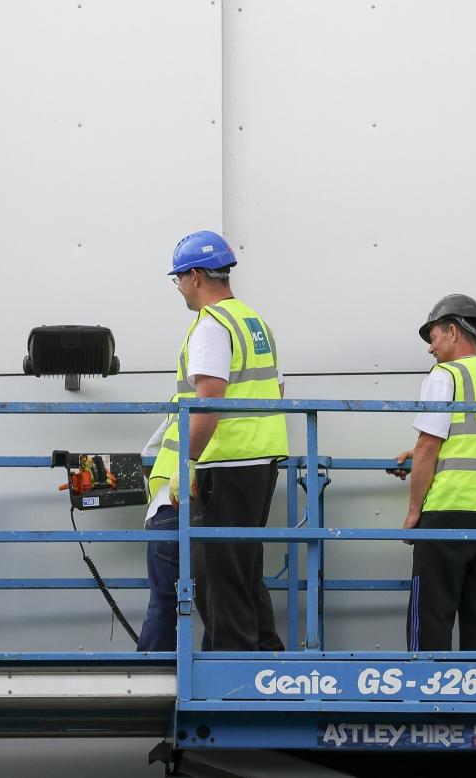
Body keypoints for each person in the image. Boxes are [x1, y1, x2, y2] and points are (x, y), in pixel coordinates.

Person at [148, 229, 288, 651]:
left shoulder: (211, 326)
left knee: (217, 575)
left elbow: (208, 398)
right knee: (243, 569)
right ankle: (265, 654)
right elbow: (277, 391)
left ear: (194, 276)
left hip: (224, 464)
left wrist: (185, 462)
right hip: (259, 463)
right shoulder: (254, 322)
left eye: (178, 281)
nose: (180, 291)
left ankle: (231, 670)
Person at [389, 294, 476, 652]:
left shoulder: (446, 374)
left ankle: (426, 696)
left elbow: (428, 446)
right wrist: (418, 451)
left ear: (452, 331)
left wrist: (414, 512)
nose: (430, 349)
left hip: (449, 509)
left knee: (431, 612)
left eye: (432, 338)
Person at [136, 415, 180, 652]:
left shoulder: (176, 405)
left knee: (162, 599)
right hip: (205, 508)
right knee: (216, 596)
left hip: (163, 510)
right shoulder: (225, 401)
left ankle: (148, 673)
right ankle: (216, 675)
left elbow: (146, 458)